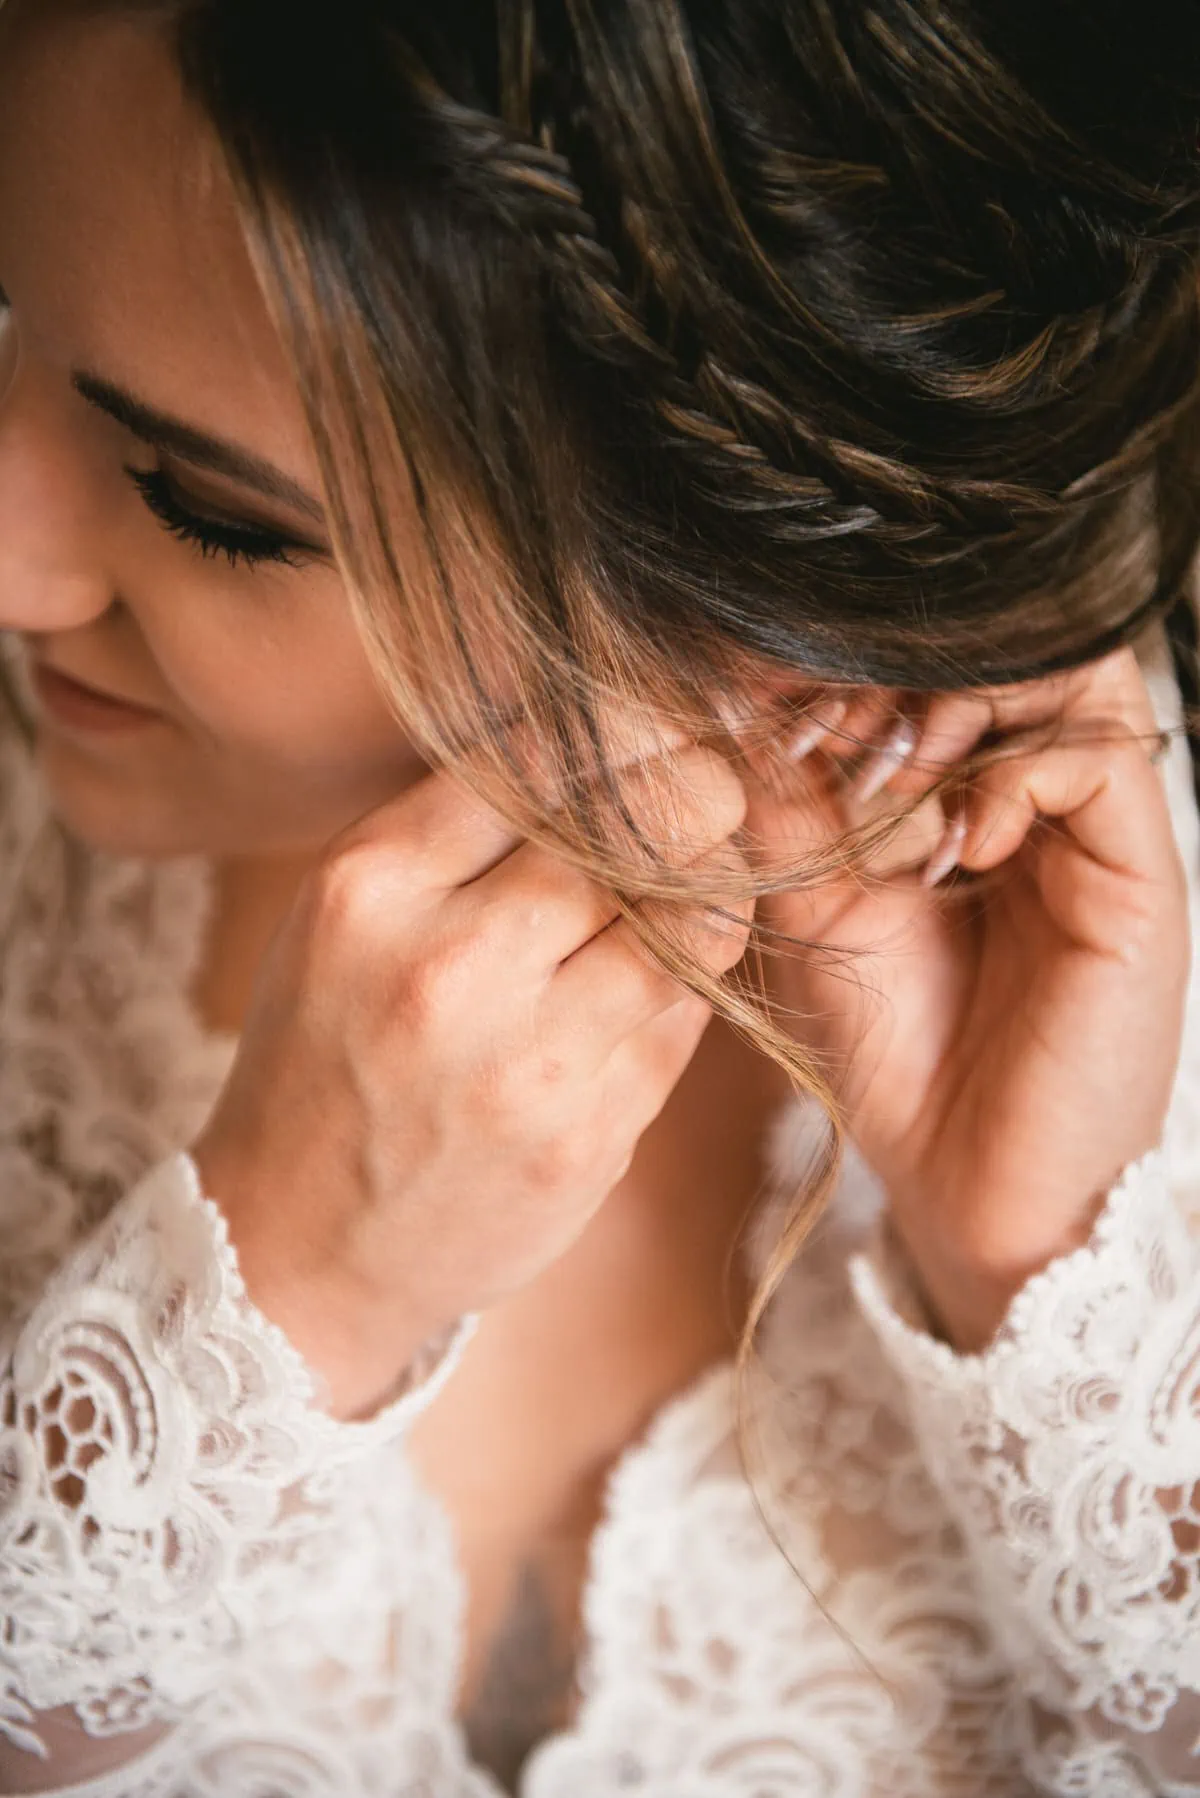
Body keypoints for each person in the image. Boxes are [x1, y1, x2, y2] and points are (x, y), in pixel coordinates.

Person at [0, 0, 1198, 1793]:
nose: (10, 554)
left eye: (202, 503)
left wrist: (1050, 1291)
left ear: (745, 587)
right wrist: (257, 1315)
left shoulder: (1102, 919)